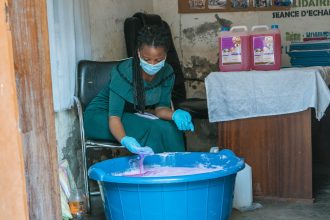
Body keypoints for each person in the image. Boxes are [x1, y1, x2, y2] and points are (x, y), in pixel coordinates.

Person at [83, 25, 194, 155]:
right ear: (138, 53)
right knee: (152, 128)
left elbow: (161, 109)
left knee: (172, 128)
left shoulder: (167, 72)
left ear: (165, 56)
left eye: (158, 60)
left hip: (129, 116)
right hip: (102, 117)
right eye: (147, 59)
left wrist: (174, 115)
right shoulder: (124, 73)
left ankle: (181, 169)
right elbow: (114, 117)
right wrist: (124, 139)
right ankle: (158, 172)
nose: (152, 64)